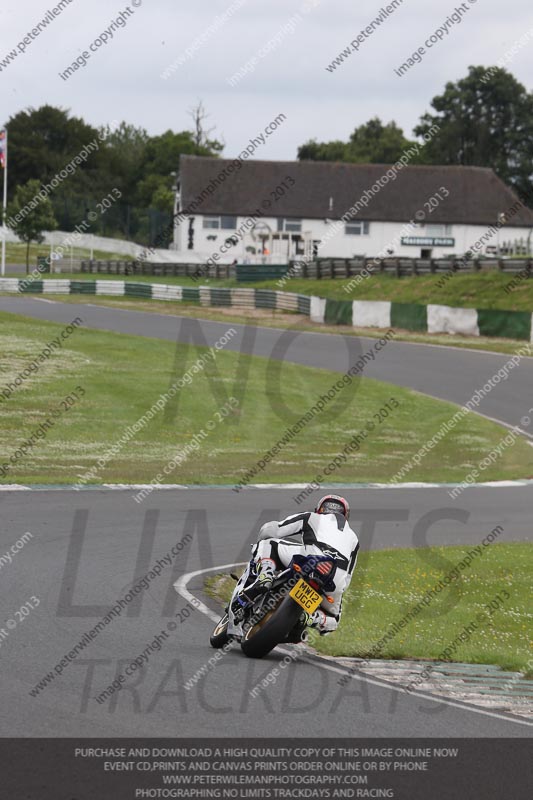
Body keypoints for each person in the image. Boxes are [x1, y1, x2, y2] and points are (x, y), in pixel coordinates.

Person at [229, 494, 359, 638]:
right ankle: (313, 618)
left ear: (319, 509)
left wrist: (263, 534)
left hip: (309, 564)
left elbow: (275, 530)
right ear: (346, 516)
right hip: (333, 583)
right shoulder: (354, 539)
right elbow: (347, 578)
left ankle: (265, 574)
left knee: (269, 543)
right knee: (334, 619)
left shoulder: (311, 517)